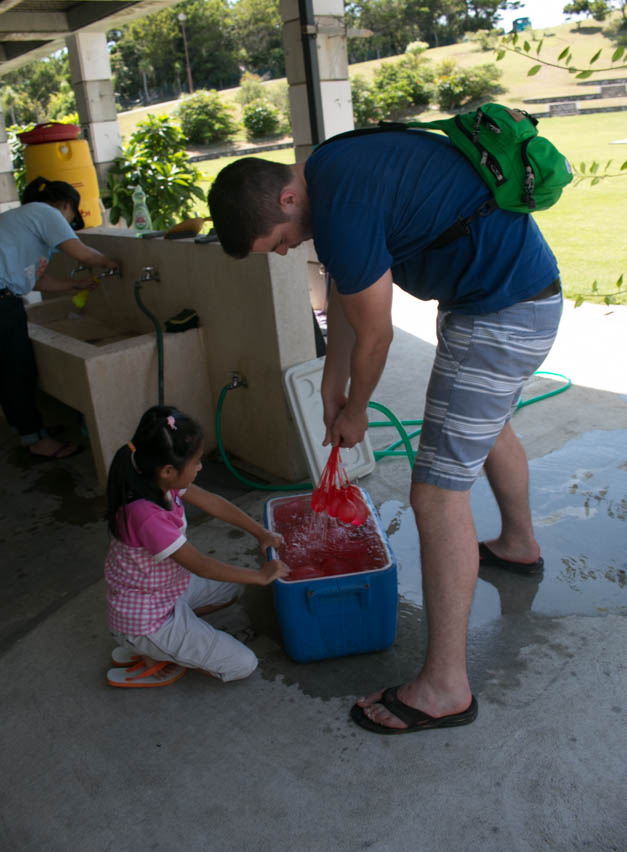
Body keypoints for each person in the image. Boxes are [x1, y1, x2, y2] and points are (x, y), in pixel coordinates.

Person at [207, 127, 563, 734]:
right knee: (490, 424)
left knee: (435, 495)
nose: (288, 251)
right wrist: (332, 380)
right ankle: (517, 546)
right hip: (512, 297)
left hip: (501, 313)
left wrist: (356, 408)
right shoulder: (332, 168)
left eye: (282, 242)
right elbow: (350, 286)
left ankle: (445, 687)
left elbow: (377, 335)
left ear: (288, 202)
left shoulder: (338, 206)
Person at [104, 404, 289, 688]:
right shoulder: (146, 515)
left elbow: (213, 503)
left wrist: (260, 533)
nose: (201, 467)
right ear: (168, 470)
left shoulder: (155, 478)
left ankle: (167, 642)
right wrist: (261, 576)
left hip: (164, 592)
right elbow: (201, 565)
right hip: (147, 617)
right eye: (197, 462)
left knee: (233, 587)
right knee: (243, 664)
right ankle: (153, 648)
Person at [0, 177, 120, 459]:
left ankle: (33, 431)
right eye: (70, 216)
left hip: (5, 299)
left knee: (14, 370)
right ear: (66, 205)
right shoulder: (46, 213)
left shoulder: (25, 222)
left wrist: (75, 285)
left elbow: (32, 282)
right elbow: (81, 253)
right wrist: (109, 262)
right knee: (15, 372)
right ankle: (34, 440)